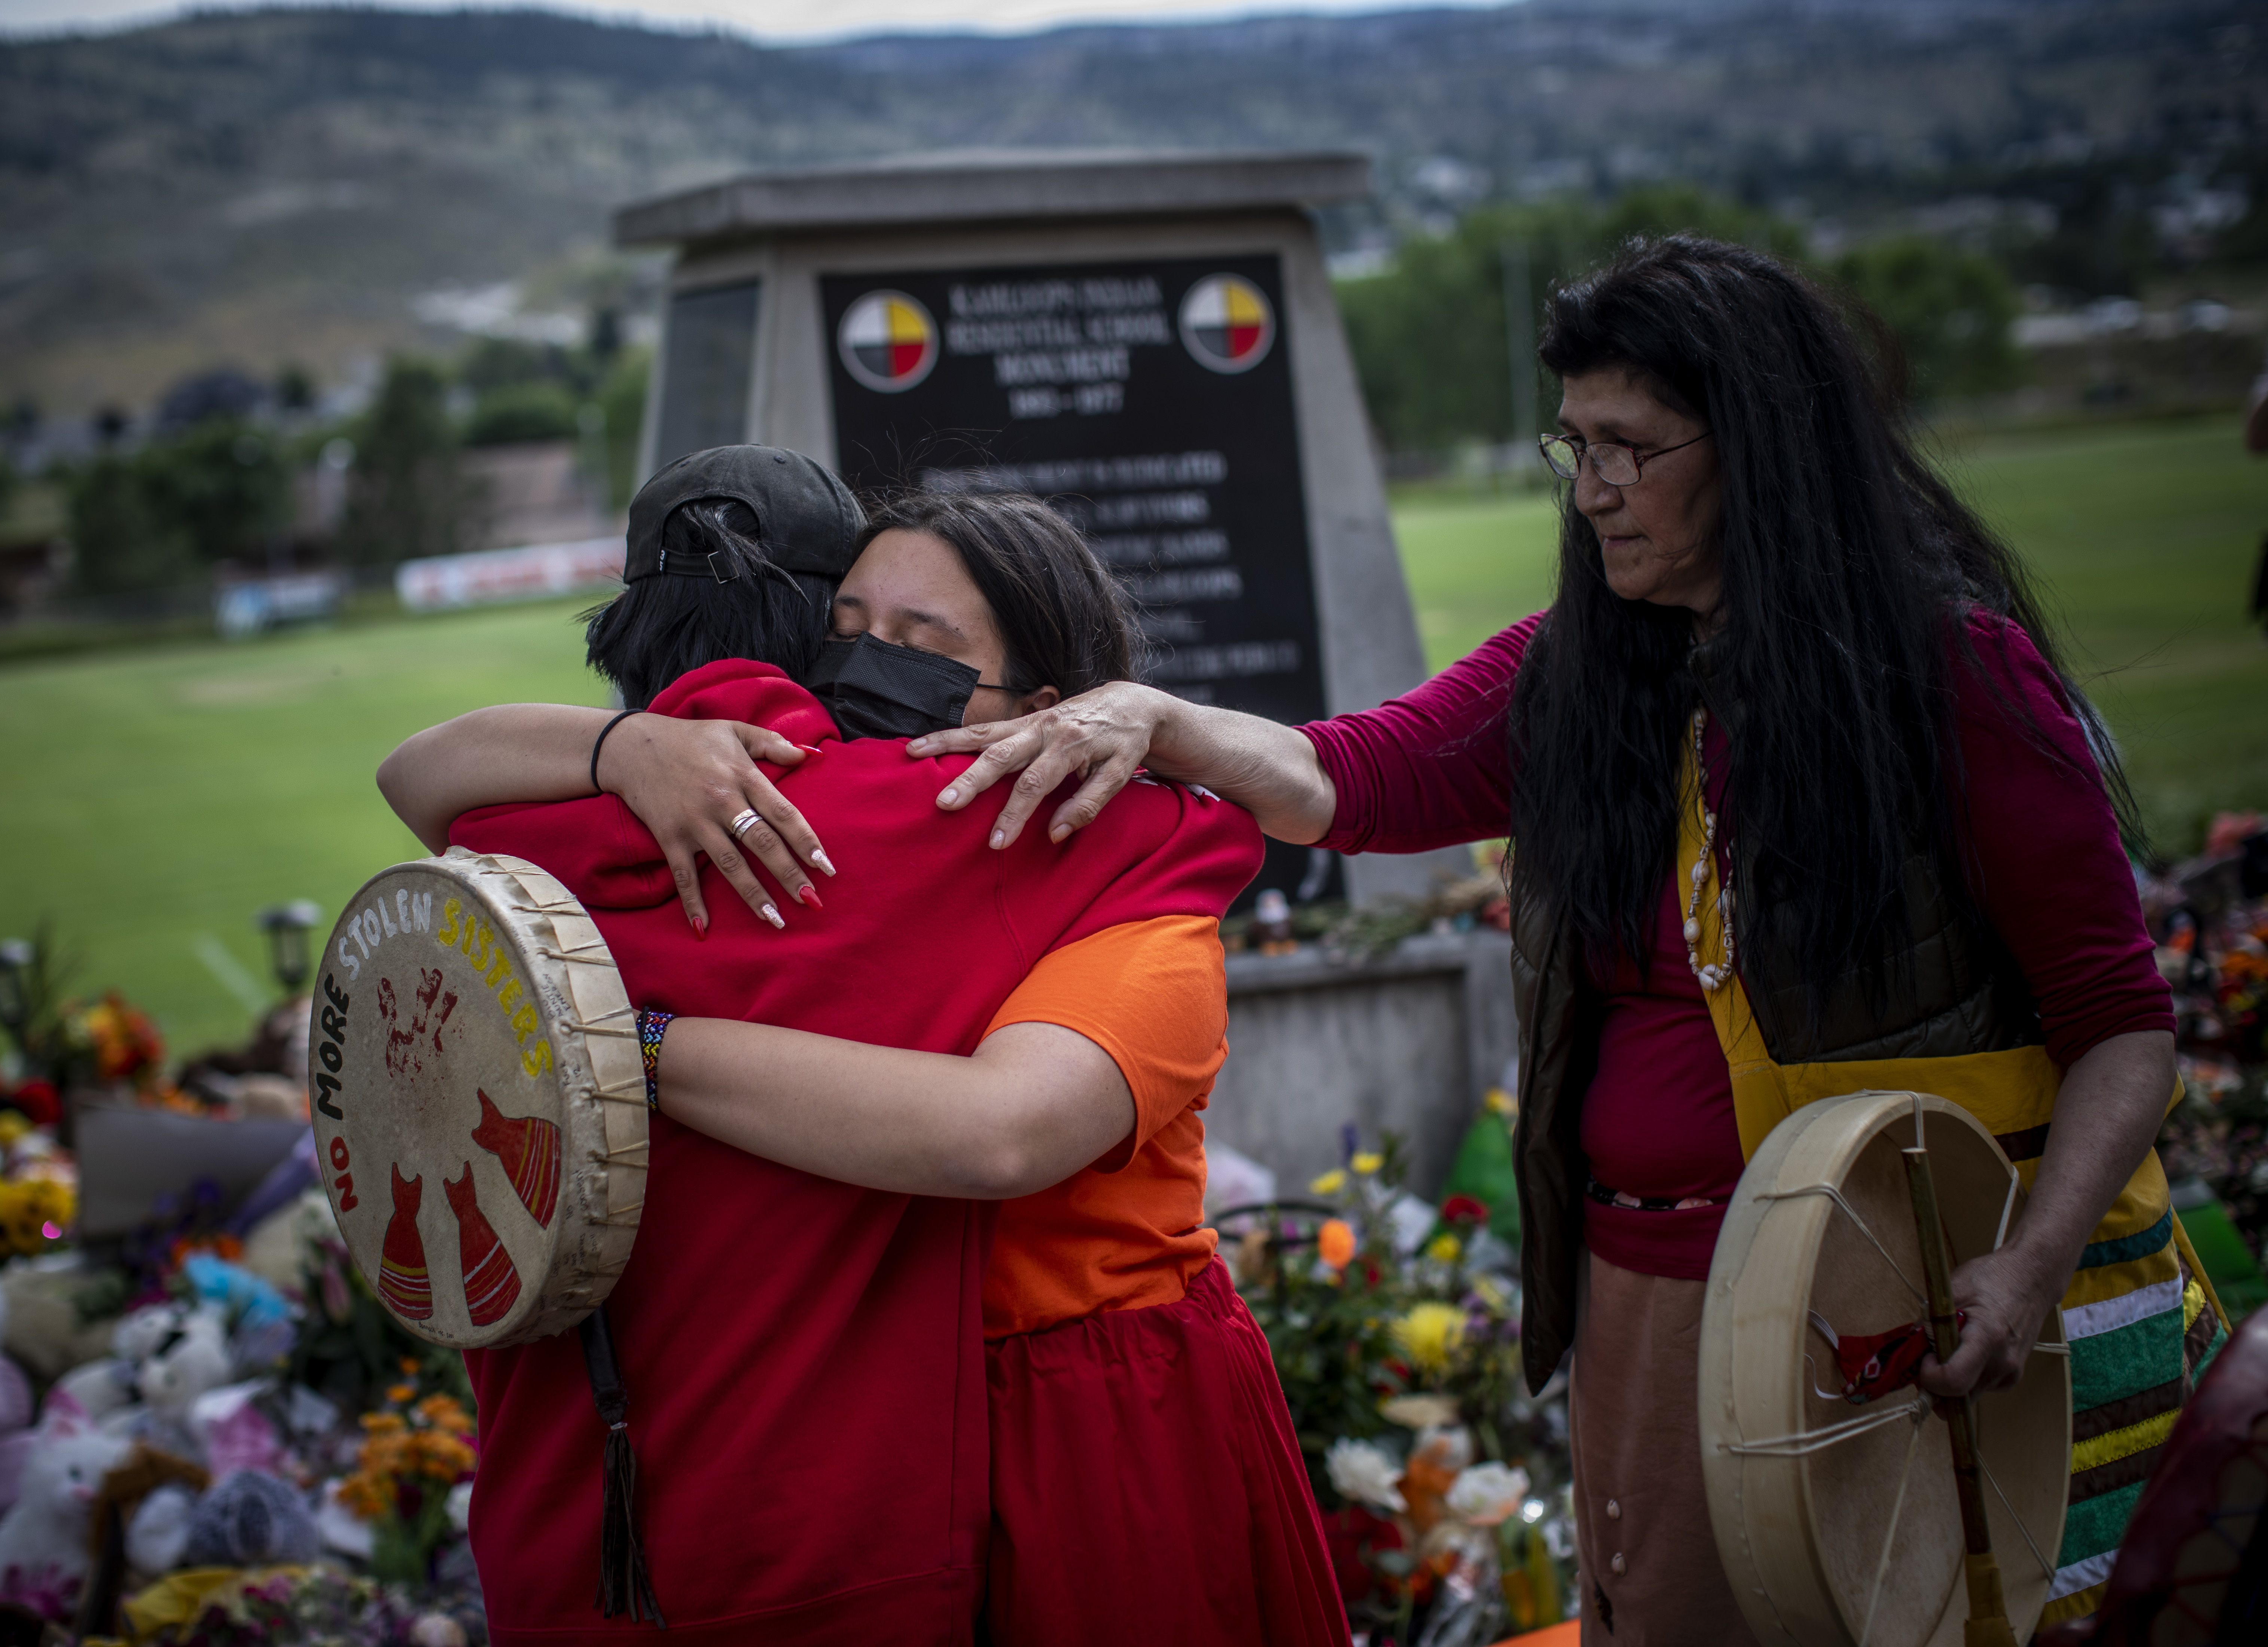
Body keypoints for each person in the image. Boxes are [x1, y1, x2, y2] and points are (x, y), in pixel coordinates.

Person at [646, 240, 2215, 1640]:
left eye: (1629, 448)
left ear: (1765, 457)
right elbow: (1348, 778)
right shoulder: (1578, 668)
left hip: (1895, 1290)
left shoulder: (1959, 683)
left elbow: (2122, 1026)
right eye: (1574, 444)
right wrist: (1160, 717)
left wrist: (2024, 1272)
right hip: (1643, 1286)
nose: (1587, 488)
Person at [383, 463, 1347, 1644]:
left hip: (1097, 1411)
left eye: (915, 640)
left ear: (1052, 704)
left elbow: (1001, 1132)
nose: (863, 668)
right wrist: (630, 749)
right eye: (846, 629)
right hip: (896, 1427)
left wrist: (599, 1038)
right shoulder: (834, 829)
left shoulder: (1122, 882)